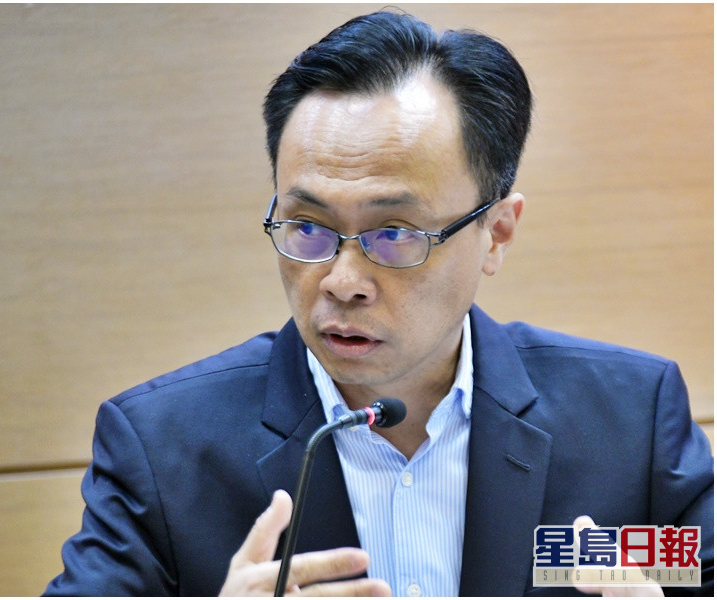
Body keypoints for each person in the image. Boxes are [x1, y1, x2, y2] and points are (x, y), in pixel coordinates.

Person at [44, 10, 713, 597]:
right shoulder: (162, 451)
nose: (342, 281)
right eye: (308, 227)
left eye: (393, 233)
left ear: (496, 233)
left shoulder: (629, 424)